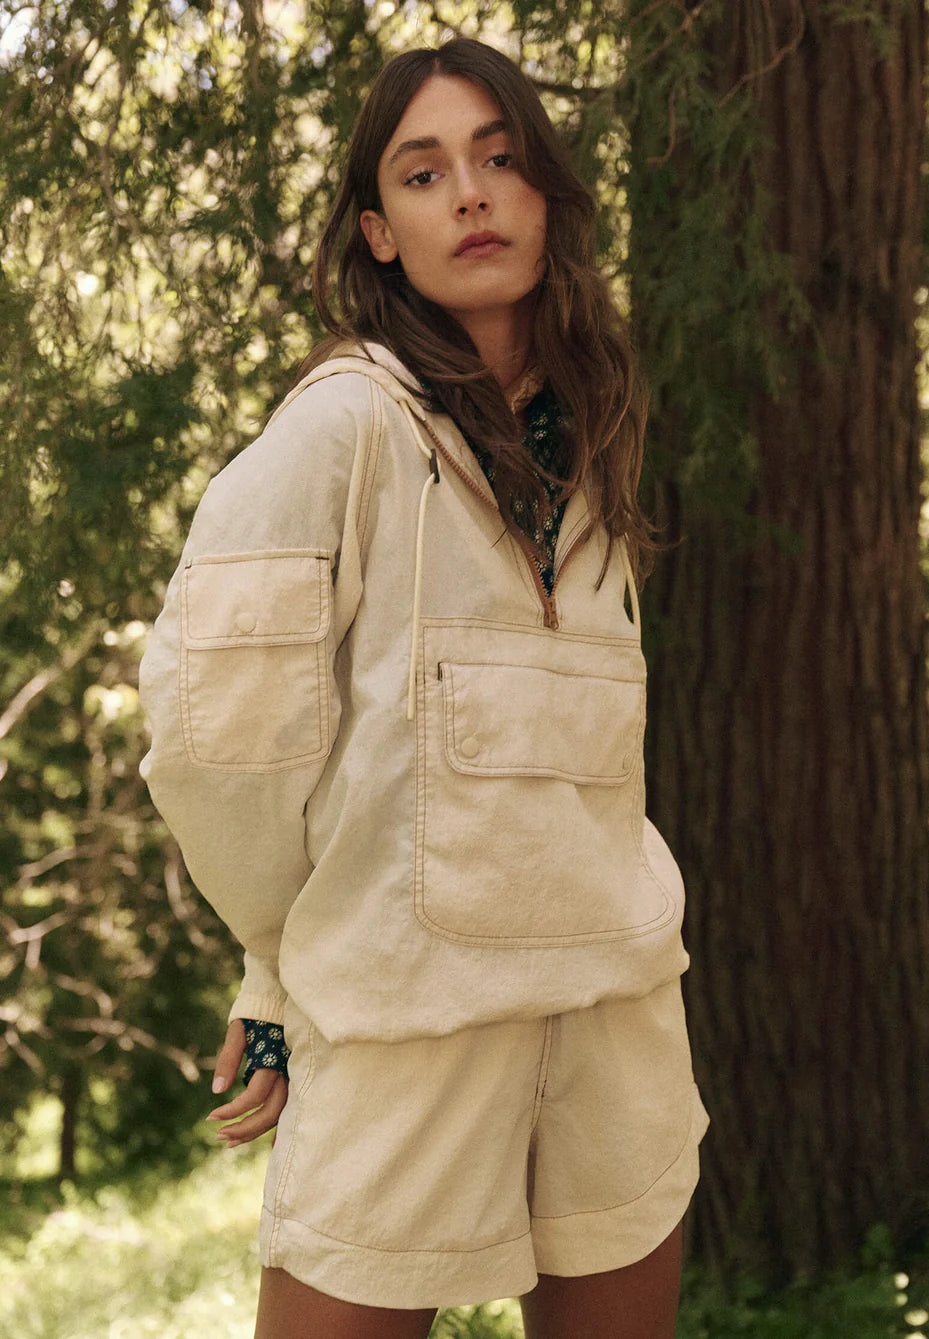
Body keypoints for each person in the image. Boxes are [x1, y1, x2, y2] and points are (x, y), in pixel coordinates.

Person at [138, 35, 709, 1339]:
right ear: (379, 232)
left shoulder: (596, 427)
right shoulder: (344, 428)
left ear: (546, 195)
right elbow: (218, 743)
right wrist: (278, 971)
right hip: (408, 1019)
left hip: (614, 1006)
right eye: (425, 170)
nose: (471, 194)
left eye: (502, 159)